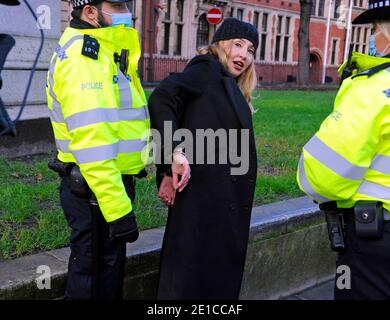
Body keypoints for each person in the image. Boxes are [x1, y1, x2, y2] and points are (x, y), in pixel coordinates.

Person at [46, 0, 150, 299]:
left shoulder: (101, 52)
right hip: (97, 193)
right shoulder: (85, 61)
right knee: (92, 280)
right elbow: (93, 144)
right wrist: (118, 211)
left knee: (102, 274)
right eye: (117, 6)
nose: (127, 13)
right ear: (90, 13)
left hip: (101, 188)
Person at [148, 18, 259, 300]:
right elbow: (162, 98)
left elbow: (189, 118)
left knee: (207, 277)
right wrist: (171, 154)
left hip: (220, 201)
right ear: (220, 44)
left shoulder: (227, 82)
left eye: (250, 50)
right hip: (203, 201)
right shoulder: (206, 69)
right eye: (237, 45)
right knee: (191, 278)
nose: (244, 55)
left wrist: (165, 172)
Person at [297, 0, 390, 300]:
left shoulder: (374, 89)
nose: (373, 39)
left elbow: (323, 174)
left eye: (376, 30)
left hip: (374, 242)